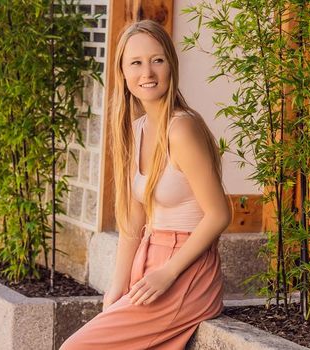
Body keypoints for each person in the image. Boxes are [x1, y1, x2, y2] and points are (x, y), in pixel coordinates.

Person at [59, 19, 231, 350]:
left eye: (157, 60)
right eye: (135, 63)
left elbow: (218, 214)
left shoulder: (182, 129)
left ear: (171, 65)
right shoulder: (136, 130)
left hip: (186, 272)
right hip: (148, 262)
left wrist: (168, 273)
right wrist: (116, 287)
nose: (147, 73)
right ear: (123, 74)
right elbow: (132, 225)